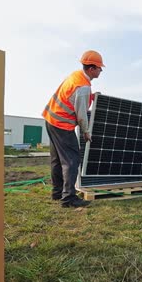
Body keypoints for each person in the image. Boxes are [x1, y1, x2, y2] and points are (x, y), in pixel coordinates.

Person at [42, 50, 104, 208]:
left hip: (51, 119)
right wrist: (86, 132)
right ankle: (69, 199)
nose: (100, 71)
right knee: (71, 160)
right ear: (91, 69)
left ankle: (57, 193)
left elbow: (73, 97)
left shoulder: (77, 76)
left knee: (57, 160)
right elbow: (82, 114)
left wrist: (91, 96)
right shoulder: (83, 87)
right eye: (99, 68)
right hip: (62, 124)